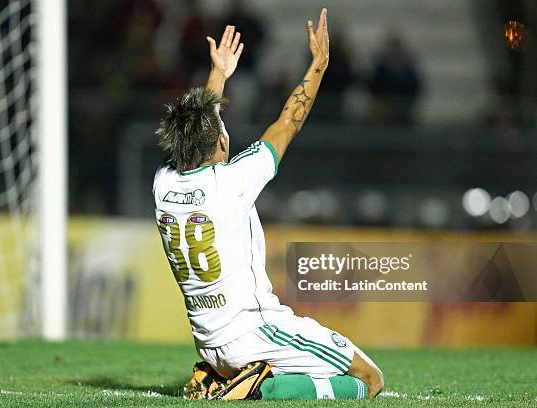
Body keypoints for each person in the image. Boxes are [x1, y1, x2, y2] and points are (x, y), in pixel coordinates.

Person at [153, 9, 384, 401]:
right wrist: (319, 67)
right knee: (369, 379)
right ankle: (262, 387)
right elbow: (287, 123)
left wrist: (218, 76)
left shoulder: (163, 183)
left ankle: (217, 377)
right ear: (221, 144)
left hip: (209, 344)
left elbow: (200, 126)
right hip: (255, 332)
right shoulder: (232, 182)